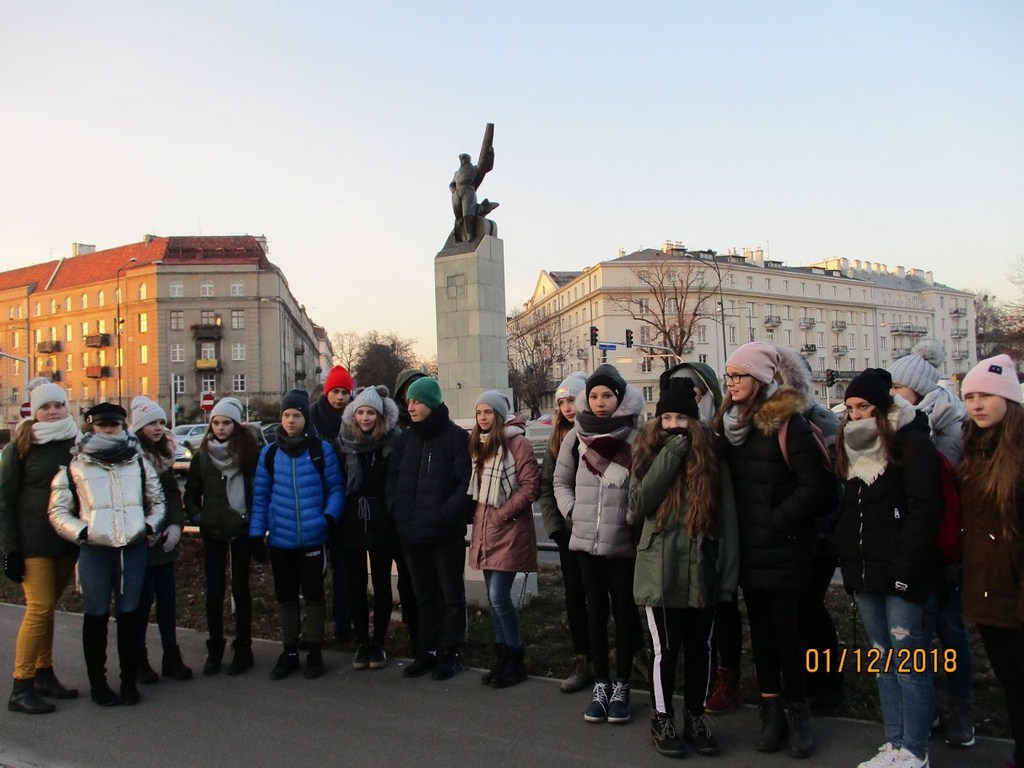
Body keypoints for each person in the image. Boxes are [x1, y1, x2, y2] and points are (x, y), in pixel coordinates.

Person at [714, 342, 834, 758]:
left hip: (784, 550)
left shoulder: (788, 424)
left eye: (739, 376)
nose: (732, 384)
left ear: (761, 379)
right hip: (747, 552)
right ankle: (771, 714)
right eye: (729, 377)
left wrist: (780, 520)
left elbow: (816, 485)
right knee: (761, 637)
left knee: (788, 635)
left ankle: (798, 714)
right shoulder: (729, 427)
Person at [834, 369, 942, 768]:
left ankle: (915, 750)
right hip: (865, 572)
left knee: (909, 663)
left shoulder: (911, 443)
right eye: (849, 408)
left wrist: (904, 570)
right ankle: (894, 743)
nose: (856, 416)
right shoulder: (848, 447)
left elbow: (923, 512)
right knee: (883, 661)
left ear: (883, 407)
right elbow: (848, 512)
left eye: (864, 407)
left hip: (904, 574)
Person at [629, 377, 740, 756]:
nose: (674, 425)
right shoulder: (646, 452)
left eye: (681, 418)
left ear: (694, 420)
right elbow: (640, 502)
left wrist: (726, 577)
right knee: (665, 650)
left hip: (700, 568)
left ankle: (694, 715)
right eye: (667, 417)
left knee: (700, 648)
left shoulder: (711, 457)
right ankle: (662, 717)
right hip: (658, 569)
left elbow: (727, 522)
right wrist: (670, 455)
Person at [48, 402, 166, 706]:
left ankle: (128, 681)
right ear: (91, 427)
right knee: (96, 615)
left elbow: (158, 500)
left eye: (114, 424)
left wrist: (148, 527)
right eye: (102, 425)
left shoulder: (137, 462)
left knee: (129, 615)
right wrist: (83, 532)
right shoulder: (75, 465)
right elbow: (58, 510)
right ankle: (98, 684)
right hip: (95, 552)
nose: (109, 430)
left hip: (133, 549)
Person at [890, 340, 974, 747]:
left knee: (950, 629)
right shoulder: (909, 426)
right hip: (918, 545)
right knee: (918, 633)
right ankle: (929, 711)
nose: (892, 396)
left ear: (917, 392)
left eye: (898, 389)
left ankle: (962, 712)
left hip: (945, 545)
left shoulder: (948, 428)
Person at [552, 363, 644, 725]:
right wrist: (573, 512)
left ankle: (622, 684)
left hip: (622, 543)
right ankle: (601, 684)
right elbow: (560, 480)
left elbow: (643, 486)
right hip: (585, 541)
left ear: (619, 398)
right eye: (594, 396)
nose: (600, 402)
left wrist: (630, 518)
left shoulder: (636, 436)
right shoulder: (576, 437)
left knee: (623, 613)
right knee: (594, 613)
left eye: (607, 395)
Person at [250, 390, 345, 680]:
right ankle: (289, 650)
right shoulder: (269, 454)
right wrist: (256, 534)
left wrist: (328, 518)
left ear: (306, 418)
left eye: (297, 415)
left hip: (313, 538)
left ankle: (314, 650)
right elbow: (261, 496)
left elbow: (336, 489)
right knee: (286, 596)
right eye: (287, 415)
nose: (291, 420)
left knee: (315, 595)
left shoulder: (321, 450)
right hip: (281, 539)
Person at [959, 354, 1024, 768]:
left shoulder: (1015, 456)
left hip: (1015, 590)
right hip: (988, 589)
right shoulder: (974, 448)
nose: (977, 404)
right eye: (969, 396)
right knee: (1011, 683)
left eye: (986, 395)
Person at [386, 376, 473, 681]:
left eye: (418, 401)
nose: (411, 406)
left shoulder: (455, 437)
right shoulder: (405, 439)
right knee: (423, 596)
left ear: (432, 403)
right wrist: (398, 509)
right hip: (411, 532)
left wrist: (446, 513)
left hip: (444, 533)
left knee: (451, 594)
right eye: (409, 401)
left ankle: (451, 651)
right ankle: (428, 650)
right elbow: (393, 478)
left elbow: (466, 482)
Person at [1, 380, 80, 714]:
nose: (52, 412)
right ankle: (21, 686)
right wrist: (10, 549)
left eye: (58, 405)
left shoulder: (77, 442)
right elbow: (3, 501)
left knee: (49, 608)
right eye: (45, 407)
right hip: (32, 541)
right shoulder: (19, 447)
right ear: (35, 412)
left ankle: (44, 674)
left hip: (66, 539)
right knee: (39, 607)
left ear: (66, 407)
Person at [776, 347, 846, 717]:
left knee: (811, 612)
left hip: (817, 537)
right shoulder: (775, 423)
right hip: (794, 537)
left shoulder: (820, 422)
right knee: (799, 613)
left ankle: (828, 685)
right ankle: (807, 681)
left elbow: (831, 483)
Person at [184, 396, 261, 676]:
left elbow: (256, 489)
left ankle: (244, 648)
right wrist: (198, 517)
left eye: (226, 423)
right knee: (214, 592)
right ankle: (214, 647)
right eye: (216, 422)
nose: (220, 428)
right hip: (213, 531)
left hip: (240, 530)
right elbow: (190, 494)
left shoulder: (248, 453)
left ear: (235, 425)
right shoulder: (202, 457)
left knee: (241, 590)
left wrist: (252, 518)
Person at [468, 390, 540, 689]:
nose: (483, 417)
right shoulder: (480, 445)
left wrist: (504, 515)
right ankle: (502, 658)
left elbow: (531, 485)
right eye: (479, 412)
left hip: (508, 529)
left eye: (488, 412)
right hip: (487, 529)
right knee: (493, 601)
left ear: (499, 415)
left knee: (499, 597)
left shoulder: (517, 443)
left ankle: (515, 658)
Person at [337, 385, 401, 671]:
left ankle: (379, 642)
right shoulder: (343, 442)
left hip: (381, 520)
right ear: (353, 414)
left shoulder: (391, 443)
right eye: (360, 412)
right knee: (355, 585)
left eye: (370, 412)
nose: (365, 418)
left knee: (382, 584)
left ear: (380, 415)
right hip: (350, 519)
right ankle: (363, 642)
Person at [538, 371, 593, 693]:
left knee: (607, 596)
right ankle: (583, 658)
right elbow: (547, 485)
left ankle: (629, 656)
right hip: (569, 532)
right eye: (561, 403)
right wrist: (556, 527)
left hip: (601, 531)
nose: (567, 408)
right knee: (575, 595)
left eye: (571, 400)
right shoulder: (558, 437)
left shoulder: (601, 431)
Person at [130, 397, 191, 684]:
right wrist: (145, 529)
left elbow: (171, 495)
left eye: (161, 423)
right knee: (142, 604)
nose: (158, 428)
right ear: (140, 425)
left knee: (167, 602)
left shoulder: (164, 454)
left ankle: (171, 655)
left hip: (164, 542)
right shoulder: (130, 456)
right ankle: (139, 658)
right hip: (141, 541)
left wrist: (176, 525)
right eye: (152, 423)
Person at [314, 365, 355, 646]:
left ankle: (343, 626)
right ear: (326, 392)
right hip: (315, 503)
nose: (340, 398)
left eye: (344, 392)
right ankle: (314, 629)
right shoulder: (312, 420)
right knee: (313, 570)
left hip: (346, 504)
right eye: (335, 391)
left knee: (343, 570)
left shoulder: (354, 421)